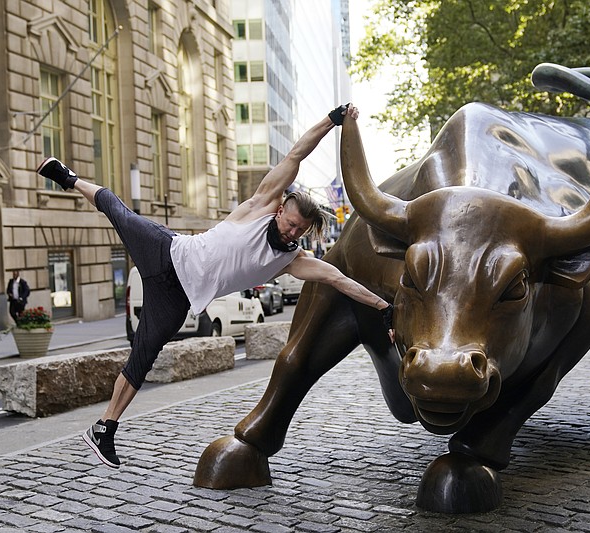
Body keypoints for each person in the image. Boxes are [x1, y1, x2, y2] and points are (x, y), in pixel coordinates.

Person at [36, 104, 394, 470]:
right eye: (290, 224)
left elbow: (339, 279)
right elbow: (296, 154)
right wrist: (332, 120)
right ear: (280, 210)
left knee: (141, 361)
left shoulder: (292, 260)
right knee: (117, 209)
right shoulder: (260, 205)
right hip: (168, 252)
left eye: (299, 230)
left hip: (176, 299)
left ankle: (104, 428)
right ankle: (67, 177)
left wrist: (383, 307)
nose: (292, 232)